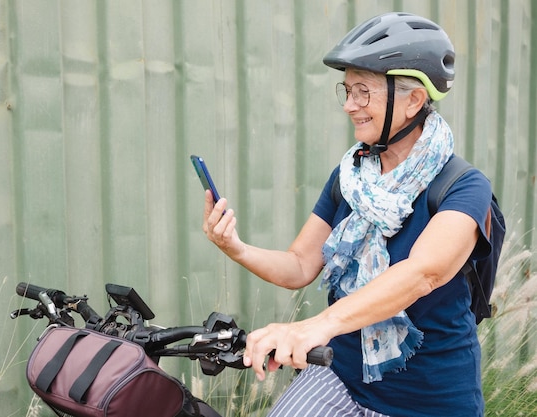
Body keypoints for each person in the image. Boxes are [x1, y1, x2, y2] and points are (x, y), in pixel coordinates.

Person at [201, 12, 491, 417]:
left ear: (414, 100)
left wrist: (317, 326)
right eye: (348, 90)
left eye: (363, 92)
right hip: (341, 378)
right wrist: (235, 247)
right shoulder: (350, 178)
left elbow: (424, 273)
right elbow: (300, 265)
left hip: (432, 400)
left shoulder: (463, 186)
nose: (350, 106)